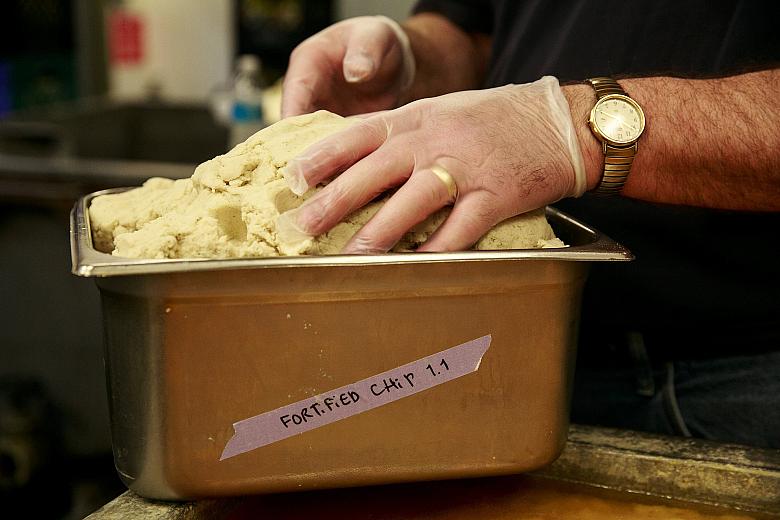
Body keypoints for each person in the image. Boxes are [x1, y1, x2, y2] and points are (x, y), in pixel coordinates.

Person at [278, 1, 780, 448]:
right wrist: (415, 58)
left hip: (747, 369)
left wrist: (579, 128)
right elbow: (478, 29)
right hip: (509, 348)